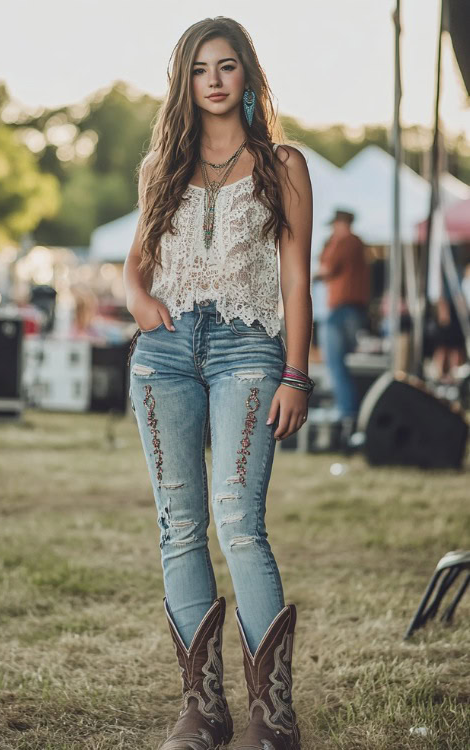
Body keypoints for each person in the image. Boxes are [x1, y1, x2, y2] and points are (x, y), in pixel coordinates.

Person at [123, 17, 313, 750]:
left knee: (238, 520)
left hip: (249, 350)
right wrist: (142, 304)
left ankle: (273, 717)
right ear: (185, 81)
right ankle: (202, 711)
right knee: (179, 529)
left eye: (227, 65)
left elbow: (295, 282)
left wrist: (296, 373)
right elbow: (136, 267)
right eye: (200, 67)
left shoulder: (283, 164)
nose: (213, 79)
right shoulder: (160, 167)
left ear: (247, 76)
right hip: (165, 355)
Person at [313, 209, 370, 445]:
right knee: (345, 366)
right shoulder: (358, 244)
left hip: (341, 310)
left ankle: (346, 415)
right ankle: (351, 416)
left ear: (340, 223)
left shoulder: (343, 241)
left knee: (335, 365)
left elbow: (326, 268)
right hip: (354, 310)